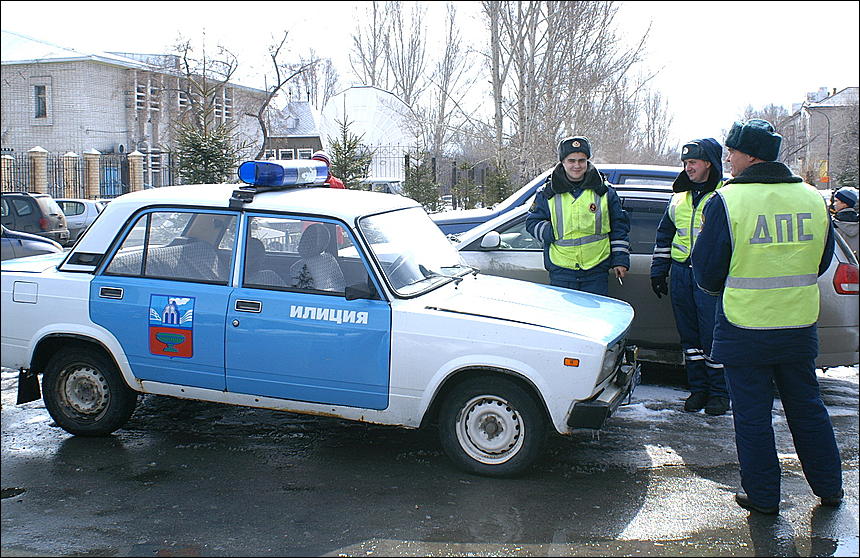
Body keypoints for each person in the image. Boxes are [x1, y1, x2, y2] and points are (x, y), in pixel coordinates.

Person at [691, 119, 843, 515]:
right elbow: (822, 261)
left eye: (732, 152)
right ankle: (830, 488)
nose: (728, 159)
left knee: (753, 417)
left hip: (746, 327)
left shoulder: (728, 201)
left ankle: (763, 497)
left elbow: (706, 272)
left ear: (751, 156)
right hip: (798, 324)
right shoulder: (812, 198)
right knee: (807, 408)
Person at [650, 138, 729, 416]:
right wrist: (659, 271)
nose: (688, 167)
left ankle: (719, 393)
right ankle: (698, 389)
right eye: (685, 163)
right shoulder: (678, 198)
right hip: (682, 274)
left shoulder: (725, 196)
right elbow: (664, 236)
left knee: (713, 337)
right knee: (689, 337)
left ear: (709, 163)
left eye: (693, 162)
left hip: (710, 278)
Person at [525, 136, 630, 296]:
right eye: (571, 160)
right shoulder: (547, 193)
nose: (577, 165)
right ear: (563, 162)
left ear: (587, 161)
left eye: (582, 160)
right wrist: (550, 232)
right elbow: (532, 222)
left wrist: (620, 260)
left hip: (596, 269)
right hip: (562, 269)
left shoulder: (604, 191)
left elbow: (619, 227)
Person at [830, 186, 858, 257]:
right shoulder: (857, 222)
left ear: (845, 204)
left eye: (836, 201)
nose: (834, 204)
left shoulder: (833, 223)